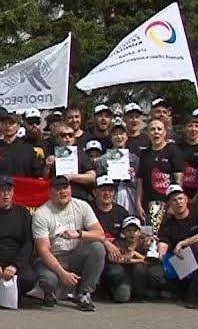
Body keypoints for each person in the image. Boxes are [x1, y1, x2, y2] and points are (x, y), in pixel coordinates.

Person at [32, 175, 107, 310]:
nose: (62, 192)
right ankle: (49, 293)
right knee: (49, 281)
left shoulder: (82, 206)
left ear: (70, 189)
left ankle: (84, 293)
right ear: (50, 192)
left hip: (74, 256)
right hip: (52, 259)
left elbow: (100, 234)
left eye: (65, 187)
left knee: (98, 247)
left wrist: (79, 233)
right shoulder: (41, 214)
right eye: (57, 189)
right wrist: (62, 273)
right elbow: (43, 250)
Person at [0, 175, 37, 305]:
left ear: (13, 192)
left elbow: (28, 243)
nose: (6, 194)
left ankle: (12, 295)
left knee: (30, 278)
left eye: (9, 191)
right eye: (2, 191)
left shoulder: (23, 213)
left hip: (14, 261)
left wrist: (15, 265)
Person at [154, 184, 198, 305]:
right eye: (174, 200)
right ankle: (181, 290)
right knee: (154, 273)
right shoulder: (167, 223)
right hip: (180, 262)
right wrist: (160, 255)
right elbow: (163, 244)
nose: (178, 202)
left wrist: (183, 243)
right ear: (170, 205)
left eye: (180, 198)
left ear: (186, 199)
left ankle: (194, 293)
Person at [91, 175, 134, 303]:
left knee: (116, 274)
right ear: (95, 192)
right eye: (103, 190)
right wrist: (106, 245)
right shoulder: (89, 210)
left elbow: (127, 237)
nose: (107, 193)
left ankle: (113, 289)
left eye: (110, 190)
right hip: (94, 255)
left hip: (116, 257)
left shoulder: (122, 212)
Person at [137, 118, 182, 228]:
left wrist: (173, 204)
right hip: (149, 203)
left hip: (167, 202)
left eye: (159, 129)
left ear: (165, 132)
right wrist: (138, 203)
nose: (156, 132)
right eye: (152, 129)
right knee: (151, 235)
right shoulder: (144, 153)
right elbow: (140, 180)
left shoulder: (173, 150)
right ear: (148, 133)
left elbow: (179, 180)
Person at [0, 107, 40, 177]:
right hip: (2, 187)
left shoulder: (28, 149)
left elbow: (37, 175)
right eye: (5, 123)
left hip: (23, 187)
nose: (8, 126)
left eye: (11, 123)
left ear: (18, 126)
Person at [107, 118, 141, 217]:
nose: (119, 137)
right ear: (111, 137)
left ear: (126, 137)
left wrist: (133, 177)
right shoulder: (104, 159)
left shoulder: (134, 159)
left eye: (121, 133)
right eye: (115, 134)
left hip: (130, 198)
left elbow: (140, 184)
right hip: (111, 197)